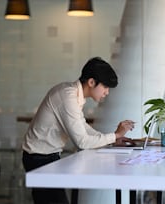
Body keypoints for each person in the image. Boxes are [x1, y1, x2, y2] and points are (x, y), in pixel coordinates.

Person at [22, 57, 135, 204]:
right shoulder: (67, 96)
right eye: (105, 87)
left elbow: (83, 127)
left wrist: (114, 138)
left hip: (47, 157)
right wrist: (114, 136)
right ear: (91, 82)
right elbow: (82, 141)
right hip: (38, 158)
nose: (107, 92)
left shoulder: (72, 94)